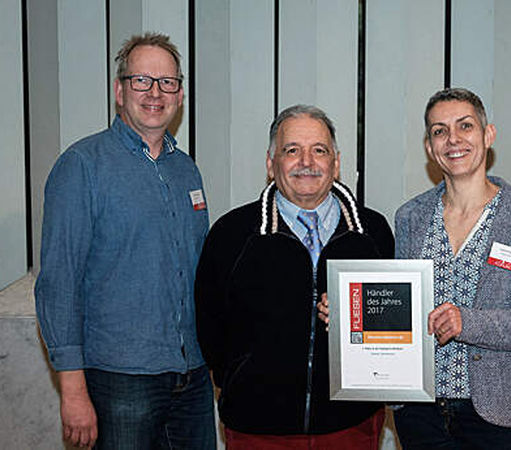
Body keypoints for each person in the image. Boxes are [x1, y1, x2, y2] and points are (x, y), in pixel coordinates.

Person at [35, 33, 216, 449]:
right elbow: (59, 282)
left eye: (167, 82)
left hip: (191, 377)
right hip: (120, 382)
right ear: (120, 91)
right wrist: (73, 390)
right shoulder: (82, 166)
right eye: (142, 81)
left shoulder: (186, 170)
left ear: (180, 94)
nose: (155, 92)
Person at [195, 104, 394, 449]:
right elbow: (211, 331)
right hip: (257, 429)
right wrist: (242, 379)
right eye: (292, 151)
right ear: (271, 165)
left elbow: (394, 323)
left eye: (319, 150)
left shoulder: (373, 232)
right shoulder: (231, 235)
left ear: (336, 162)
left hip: (351, 427)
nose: (306, 162)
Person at [390, 88, 511, 449]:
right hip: (420, 414)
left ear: (488, 135)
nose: (453, 139)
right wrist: (349, 309)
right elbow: (398, 307)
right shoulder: (410, 217)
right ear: (429, 146)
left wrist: (468, 323)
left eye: (465, 126)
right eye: (439, 131)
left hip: (500, 413)